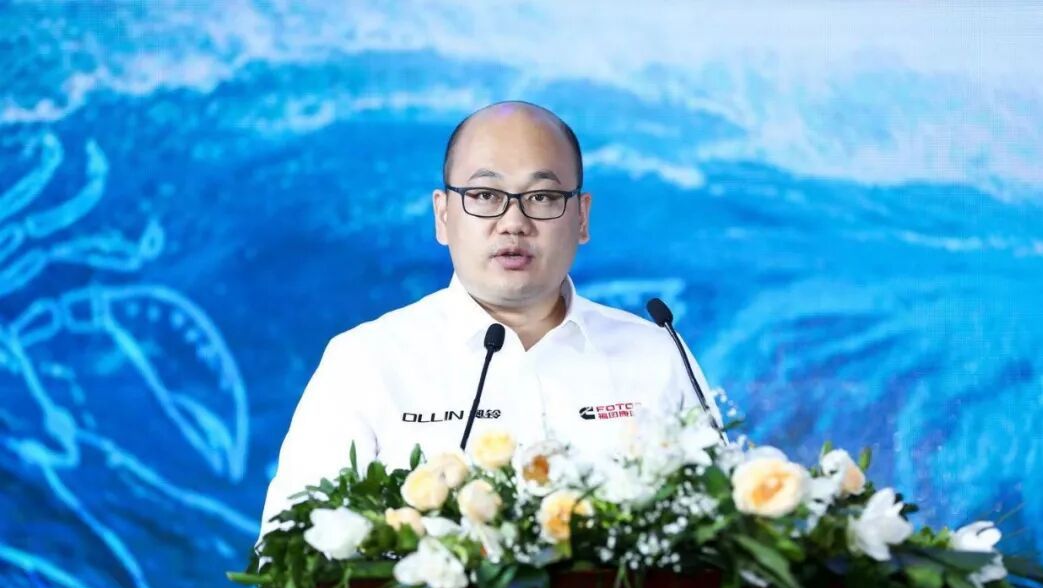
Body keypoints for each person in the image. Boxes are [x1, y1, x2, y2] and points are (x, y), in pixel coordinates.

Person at [257, 101, 720, 542]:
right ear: (443, 215)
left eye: (542, 197)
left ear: (581, 217)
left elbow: (726, 533)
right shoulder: (366, 362)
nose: (513, 222)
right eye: (484, 195)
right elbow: (287, 552)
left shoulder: (657, 354)